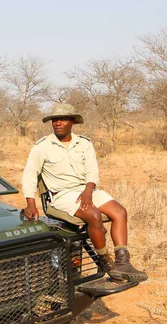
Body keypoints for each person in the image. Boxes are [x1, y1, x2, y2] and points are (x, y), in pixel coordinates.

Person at [21, 103, 148, 282]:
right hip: (62, 194)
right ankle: (105, 260)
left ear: (72, 122)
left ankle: (123, 262)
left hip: (87, 189)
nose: (58, 123)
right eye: (55, 120)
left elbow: (92, 171)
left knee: (120, 212)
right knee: (94, 214)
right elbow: (30, 174)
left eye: (63, 119)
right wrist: (30, 204)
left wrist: (88, 191)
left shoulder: (84, 143)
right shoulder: (42, 146)